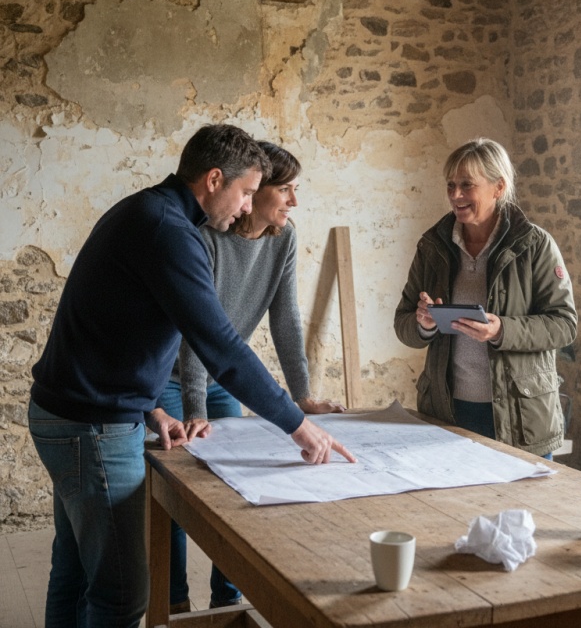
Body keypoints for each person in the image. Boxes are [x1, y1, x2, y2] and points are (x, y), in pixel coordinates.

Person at [27, 124, 355, 628]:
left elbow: (110, 331)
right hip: (92, 426)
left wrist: (150, 407)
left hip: (74, 411)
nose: (247, 206)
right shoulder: (171, 233)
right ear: (214, 179)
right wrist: (298, 424)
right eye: (246, 192)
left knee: (73, 576)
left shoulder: (148, 210)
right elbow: (221, 348)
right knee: (120, 597)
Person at [158, 141, 344, 613]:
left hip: (225, 376)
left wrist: (302, 397)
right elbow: (198, 333)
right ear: (255, 191)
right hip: (173, 378)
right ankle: (175, 602)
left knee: (237, 486)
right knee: (180, 489)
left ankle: (228, 597)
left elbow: (286, 319)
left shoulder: (284, 238)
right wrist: (196, 412)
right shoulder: (207, 236)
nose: (293, 202)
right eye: (285, 190)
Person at [394, 138, 577, 458]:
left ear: (499, 187)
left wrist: (501, 330)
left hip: (519, 419)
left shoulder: (536, 246)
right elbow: (403, 322)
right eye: (451, 185)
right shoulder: (432, 246)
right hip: (447, 413)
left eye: (467, 185)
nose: (455, 195)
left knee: (521, 506)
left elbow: (564, 325)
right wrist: (424, 324)